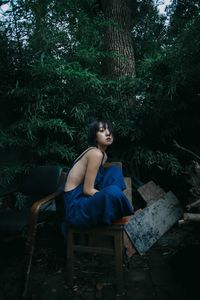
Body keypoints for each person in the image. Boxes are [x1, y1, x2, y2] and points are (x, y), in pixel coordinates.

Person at [62, 120, 134, 230]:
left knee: (114, 171)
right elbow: (87, 190)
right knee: (113, 191)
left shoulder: (103, 155)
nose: (108, 133)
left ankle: (111, 209)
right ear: (95, 137)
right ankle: (115, 210)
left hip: (85, 200)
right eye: (102, 131)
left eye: (109, 130)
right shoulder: (95, 153)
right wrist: (108, 194)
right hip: (76, 209)